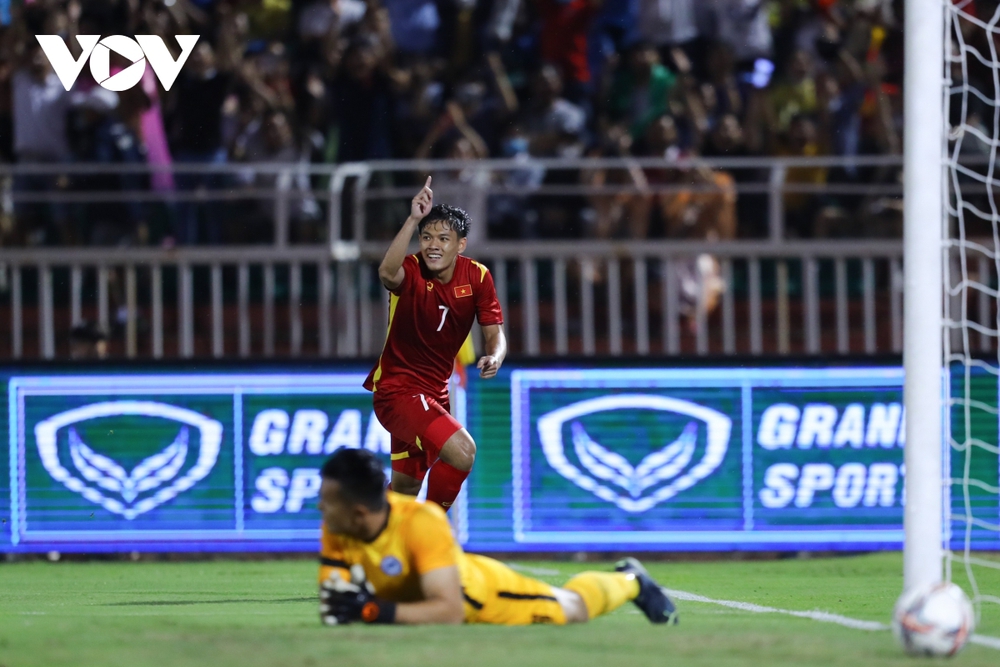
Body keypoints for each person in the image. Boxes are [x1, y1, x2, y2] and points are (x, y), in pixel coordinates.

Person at [317, 448, 679, 626]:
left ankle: (630, 581)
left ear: (359, 511)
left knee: (573, 609)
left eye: (327, 502)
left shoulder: (421, 521)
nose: (321, 508)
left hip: (481, 594)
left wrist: (373, 609)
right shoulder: (338, 525)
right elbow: (334, 604)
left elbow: (450, 611)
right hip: (429, 588)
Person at [363, 177, 506, 510]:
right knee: (463, 451)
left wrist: (495, 356)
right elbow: (386, 273)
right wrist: (413, 218)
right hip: (397, 392)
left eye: (443, 238)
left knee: (403, 492)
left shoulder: (478, 277)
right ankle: (434, 531)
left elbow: (493, 331)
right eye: (426, 237)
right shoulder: (411, 269)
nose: (433, 245)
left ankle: (367, 539)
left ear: (461, 245)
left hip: (434, 395)